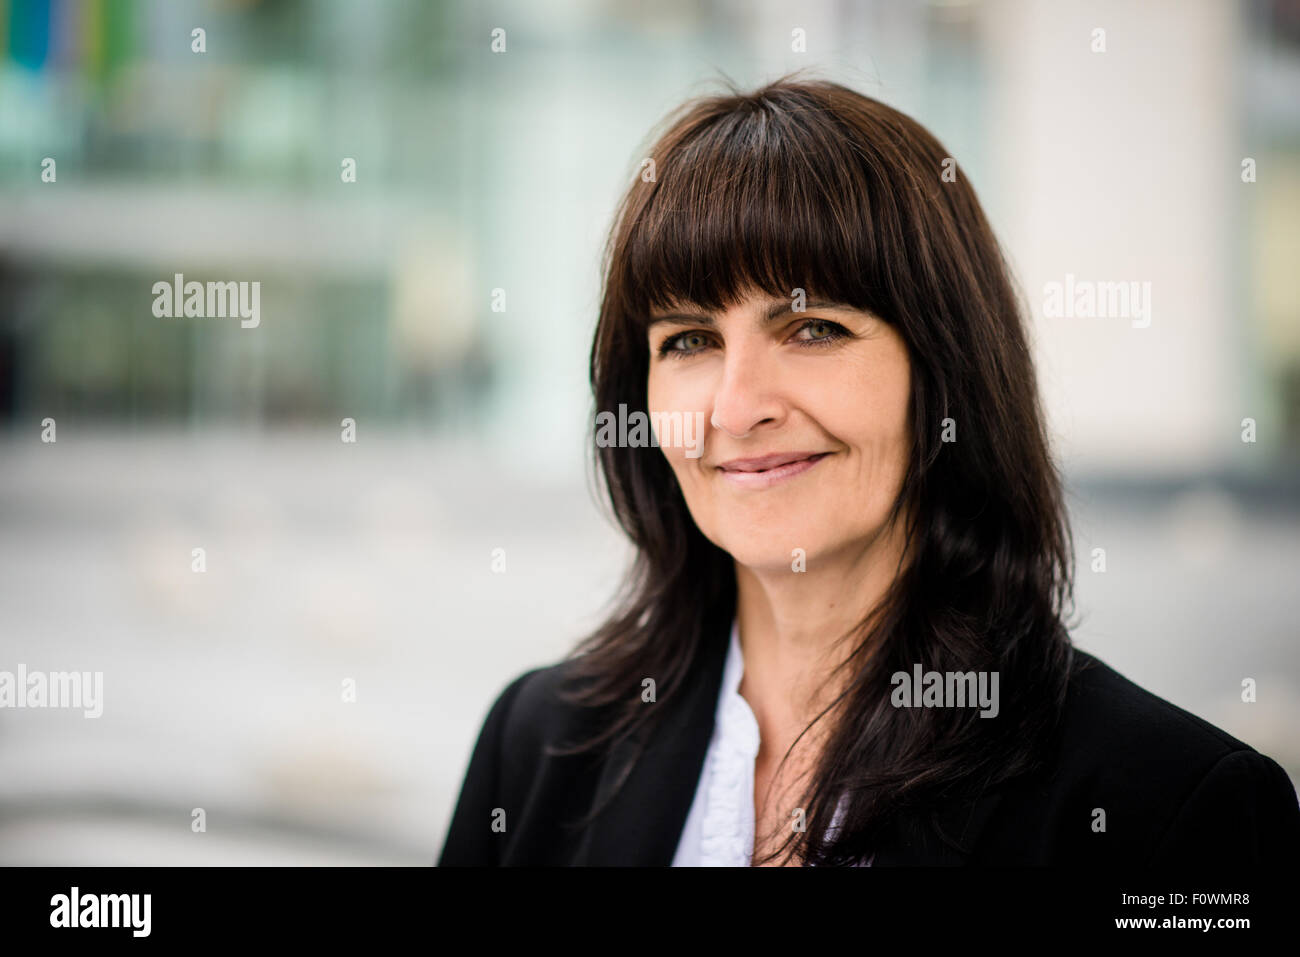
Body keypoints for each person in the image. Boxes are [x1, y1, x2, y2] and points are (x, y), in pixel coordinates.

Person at [437, 73, 1300, 866]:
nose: (737, 409)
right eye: (690, 340)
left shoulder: (1169, 808)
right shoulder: (540, 747)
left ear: (944, 373)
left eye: (813, 329)